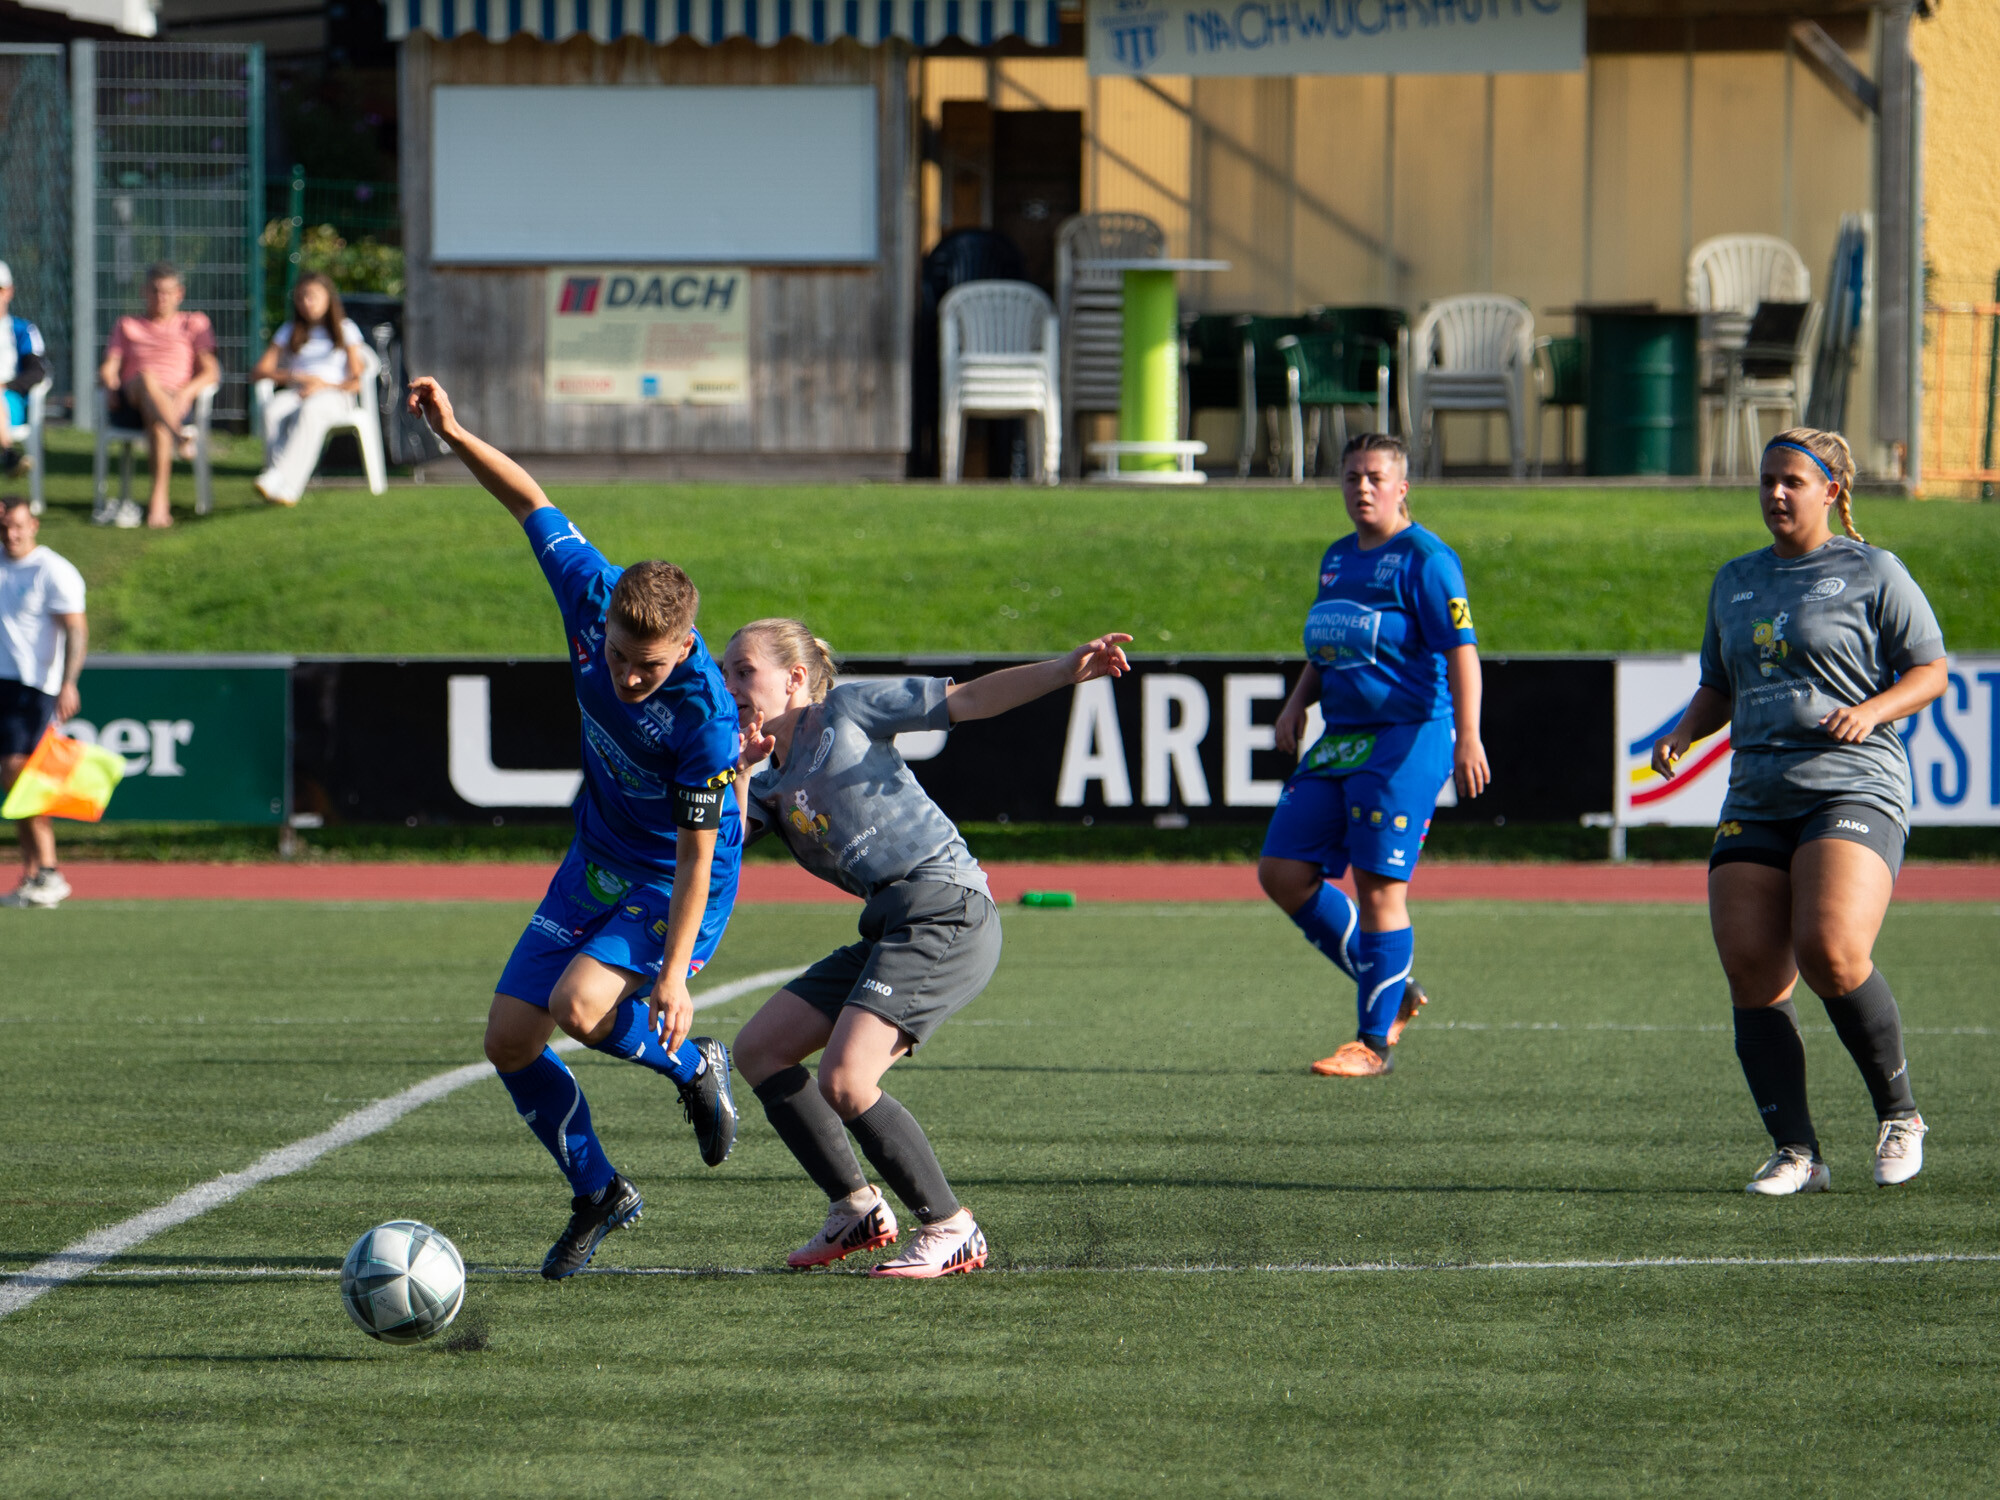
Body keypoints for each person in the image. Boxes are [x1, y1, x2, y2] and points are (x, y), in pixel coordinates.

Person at [406, 376, 744, 1279]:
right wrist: (455, 433)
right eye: (620, 659)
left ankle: (693, 1064)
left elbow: (698, 854)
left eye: (648, 668)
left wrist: (672, 978)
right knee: (509, 1040)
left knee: (581, 1008)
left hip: (672, 877)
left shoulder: (706, 720)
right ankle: (598, 1190)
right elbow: (530, 499)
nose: (628, 678)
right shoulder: (592, 593)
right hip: (598, 853)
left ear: (685, 647)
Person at [723, 620, 1131, 1278]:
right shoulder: (766, 780)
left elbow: (967, 699)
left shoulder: (846, 711)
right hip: (891, 926)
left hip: (947, 909)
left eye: (743, 671)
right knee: (760, 1049)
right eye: (724, 674)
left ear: (794, 678)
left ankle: (950, 1226)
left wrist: (1064, 670)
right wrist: (737, 773)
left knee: (846, 1079)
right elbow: (721, 850)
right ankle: (855, 1209)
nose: (730, 685)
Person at [1652, 429, 1947, 1196]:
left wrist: (1872, 711)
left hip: (1851, 783)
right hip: (1755, 792)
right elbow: (1719, 686)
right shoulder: (1736, 580)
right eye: (1767, 481)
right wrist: (1683, 732)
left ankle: (1901, 1116)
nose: (1776, 494)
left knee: (1830, 950)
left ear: (1831, 492)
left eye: (1792, 481)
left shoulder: (1874, 570)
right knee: (1752, 968)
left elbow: (1930, 670)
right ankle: (1798, 1153)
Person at [1258, 432, 1490, 1077]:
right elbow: (1326, 647)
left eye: (1375, 477)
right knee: (1281, 872)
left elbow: (1462, 653)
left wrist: (1468, 736)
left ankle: (1373, 1043)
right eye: (1352, 476)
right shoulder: (1337, 558)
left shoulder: (1427, 559)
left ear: (1401, 487)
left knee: (1380, 886)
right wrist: (1296, 703)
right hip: (1340, 739)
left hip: (1405, 738)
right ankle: (1396, 988)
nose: (1362, 487)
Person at [0, 493, 86, 909]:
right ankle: (34, 875)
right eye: (4, 527)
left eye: (18, 526)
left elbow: (76, 629)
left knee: (20, 775)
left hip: (33, 687)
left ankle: (49, 869)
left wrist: (69, 683)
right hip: (2, 686)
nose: (11, 535)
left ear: (33, 525)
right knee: (13, 782)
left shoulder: (52, 570)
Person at [98, 262, 220, 529]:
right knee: (147, 377)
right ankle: (179, 437)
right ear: (144, 292)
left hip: (173, 402)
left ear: (179, 293)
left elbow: (211, 372)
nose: (161, 298)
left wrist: (186, 392)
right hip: (132, 400)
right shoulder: (127, 325)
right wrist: (110, 384)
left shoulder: (194, 324)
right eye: (155, 291)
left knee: (157, 422)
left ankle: (159, 500)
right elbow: (109, 366)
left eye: (167, 292)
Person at [250, 273, 367, 506]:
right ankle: (282, 489)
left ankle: (279, 477)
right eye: (301, 297)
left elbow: (356, 381)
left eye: (312, 296)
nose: (306, 302)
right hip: (298, 392)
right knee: (273, 410)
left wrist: (323, 385)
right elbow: (259, 371)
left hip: (335, 395)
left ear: (328, 298)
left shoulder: (346, 329)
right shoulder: (289, 330)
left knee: (311, 410)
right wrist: (294, 376)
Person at [0, 263, 50, 480]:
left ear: (9, 291)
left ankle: (8, 454)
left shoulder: (22, 330)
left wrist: (5, 386)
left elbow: (37, 371)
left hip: (9, 400)